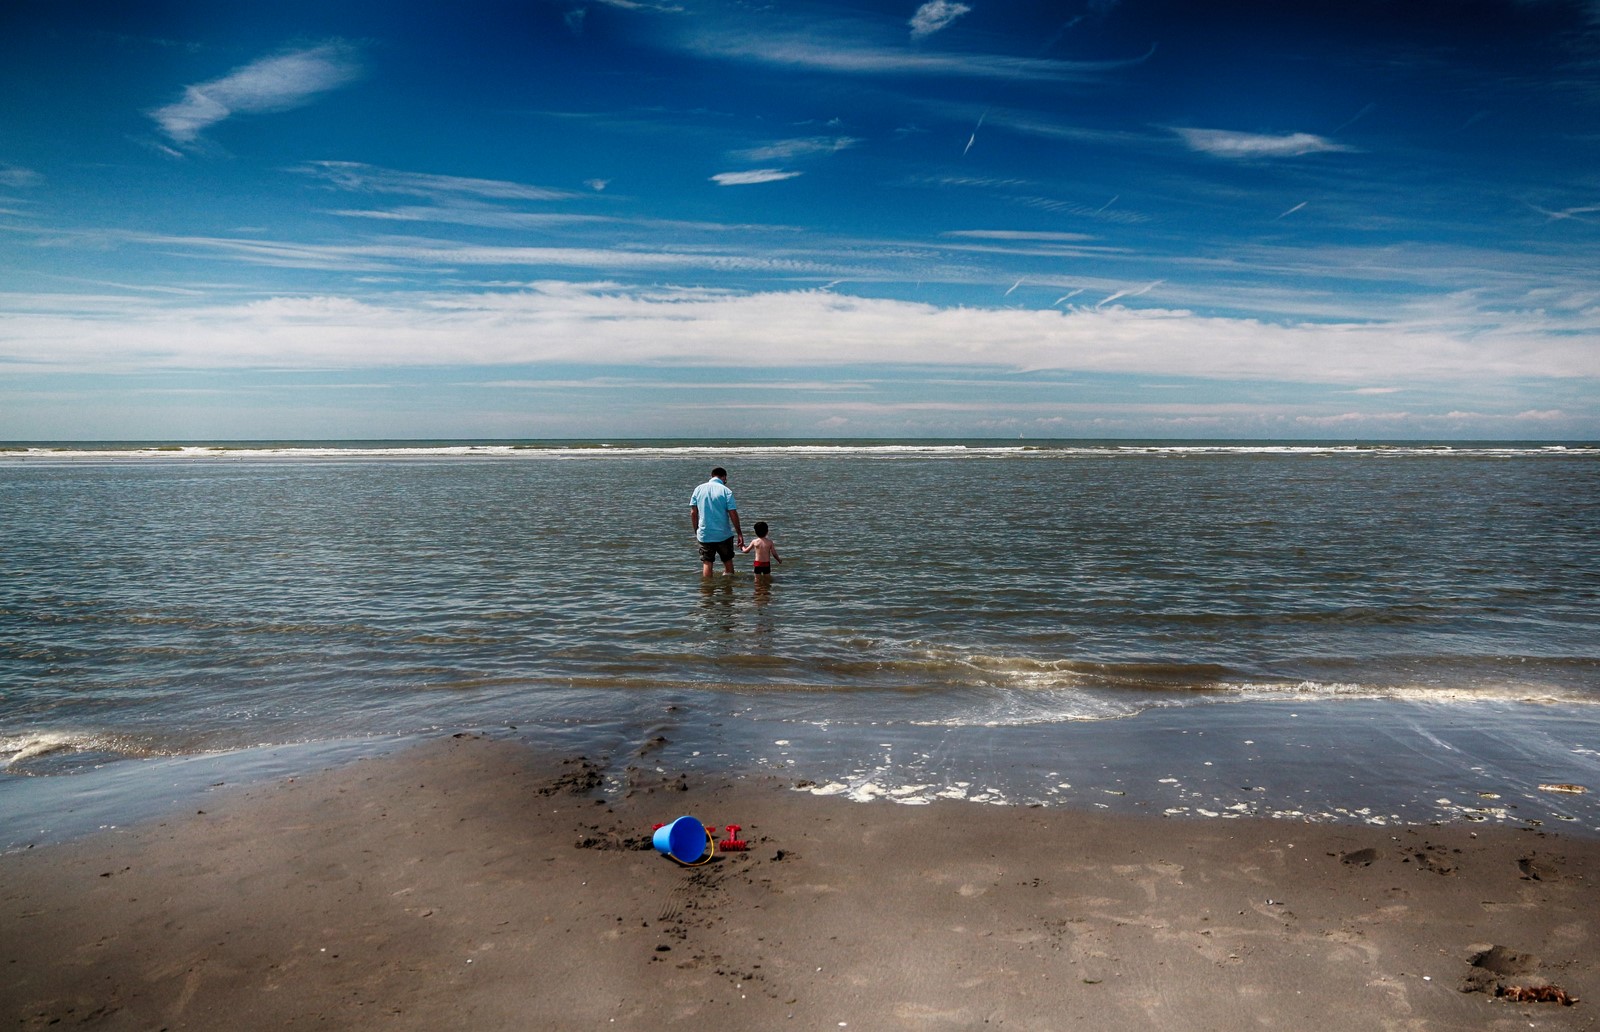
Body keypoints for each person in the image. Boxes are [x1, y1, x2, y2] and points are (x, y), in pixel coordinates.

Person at [689, 467, 742, 577]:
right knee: (727, 561)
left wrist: (696, 530)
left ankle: (707, 591)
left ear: (712, 476)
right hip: (723, 534)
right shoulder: (726, 491)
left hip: (705, 533)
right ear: (724, 477)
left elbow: (693, 513)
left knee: (707, 562)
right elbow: (733, 513)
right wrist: (739, 533)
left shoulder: (698, 489)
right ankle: (728, 590)